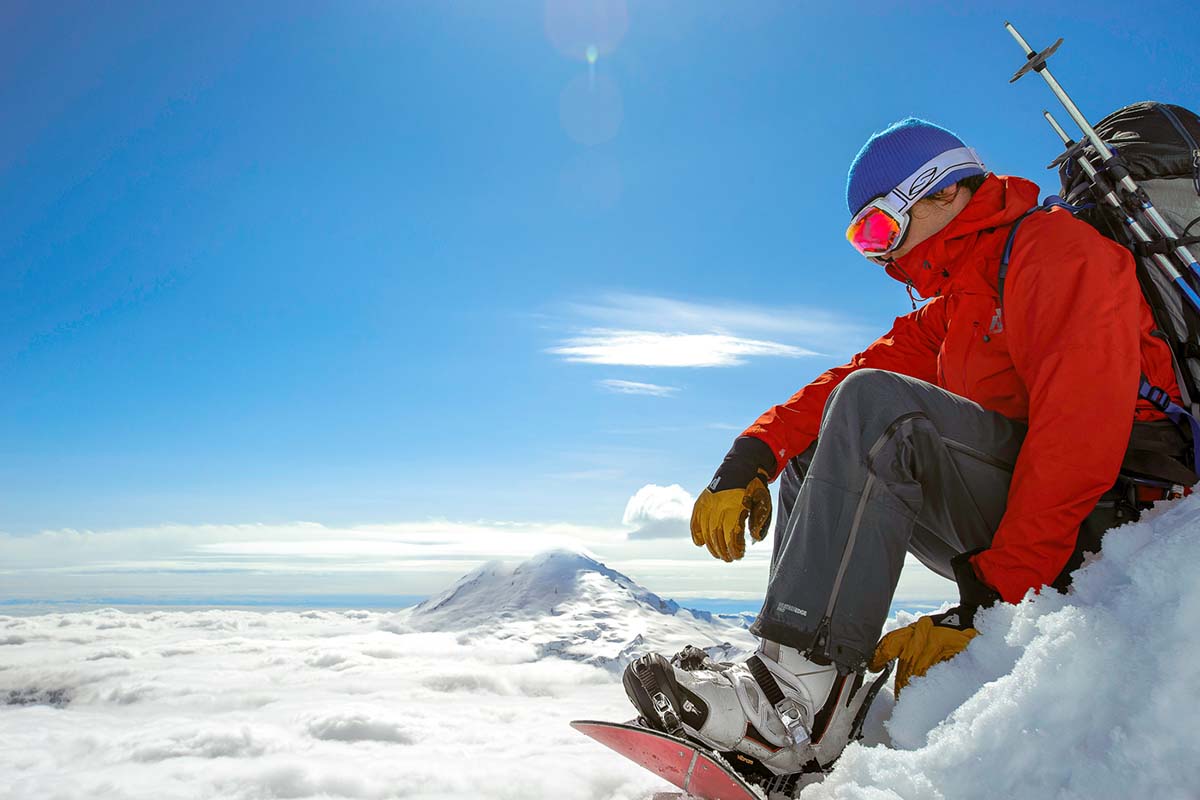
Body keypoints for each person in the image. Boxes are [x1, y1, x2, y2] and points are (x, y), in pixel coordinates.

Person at [622, 118, 1190, 775]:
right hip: (1040, 521)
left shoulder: (1058, 254)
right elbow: (840, 386)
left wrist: (986, 605)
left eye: (879, 229)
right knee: (833, 429)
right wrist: (751, 455)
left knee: (878, 406)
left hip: (1117, 520)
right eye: (863, 240)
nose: (879, 255)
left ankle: (793, 715)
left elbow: (1079, 440)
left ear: (942, 192)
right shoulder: (960, 301)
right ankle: (802, 686)